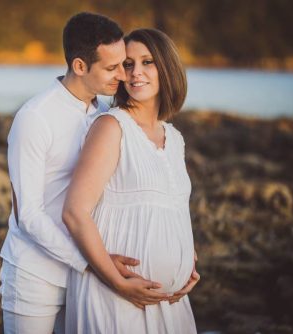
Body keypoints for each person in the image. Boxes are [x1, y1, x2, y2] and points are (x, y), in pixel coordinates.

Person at [0, 13, 162, 334]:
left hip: (84, 277)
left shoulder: (106, 115)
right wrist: (90, 263)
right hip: (35, 275)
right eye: (112, 68)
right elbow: (27, 215)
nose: (122, 76)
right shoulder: (35, 118)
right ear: (80, 66)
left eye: (123, 65)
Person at [63, 28, 200, 333]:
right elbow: (74, 212)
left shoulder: (174, 138)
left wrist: (186, 258)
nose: (136, 72)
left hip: (171, 303)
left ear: (167, 67)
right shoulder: (111, 127)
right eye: (128, 64)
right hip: (116, 299)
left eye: (147, 62)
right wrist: (117, 282)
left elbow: (169, 207)